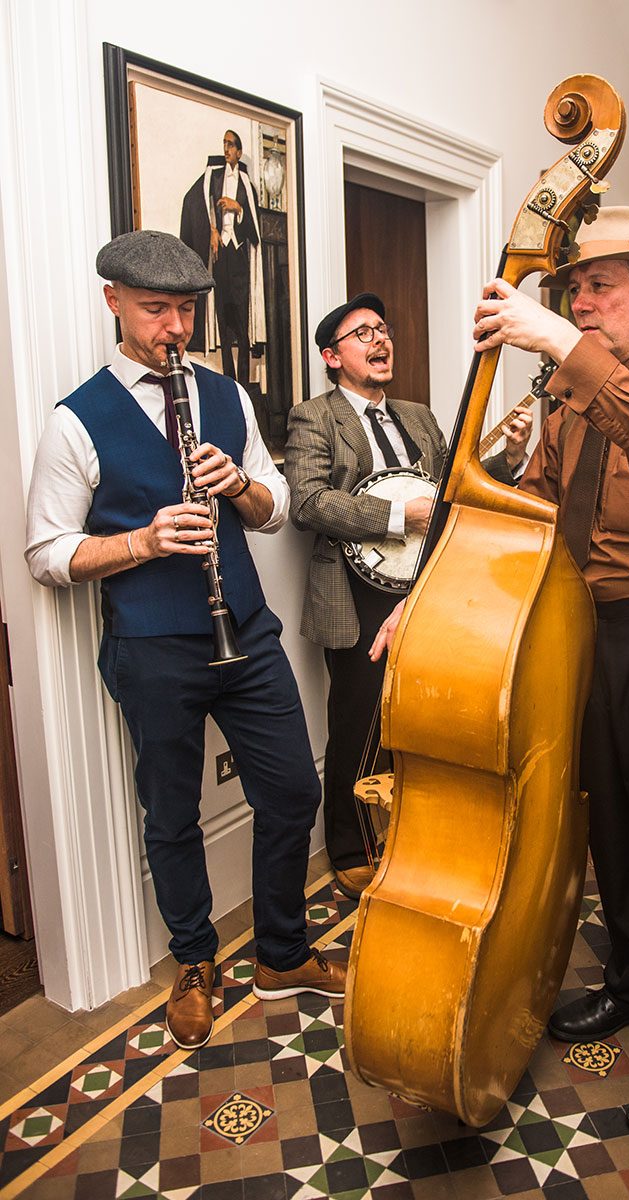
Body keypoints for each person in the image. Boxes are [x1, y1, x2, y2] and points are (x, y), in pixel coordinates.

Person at [372, 207, 629, 1137]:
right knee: (609, 824)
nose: (580, 301)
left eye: (600, 286)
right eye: (573, 288)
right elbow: (522, 515)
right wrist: (425, 599)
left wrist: (561, 348)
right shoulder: (569, 404)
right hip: (584, 629)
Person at [25, 229, 345, 1052]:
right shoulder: (76, 419)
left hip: (245, 631)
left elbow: (272, 507)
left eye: (185, 311)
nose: (174, 328)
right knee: (171, 814)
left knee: (292, 792)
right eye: (155, 309)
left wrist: (237, 484)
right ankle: (195, 960)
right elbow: (46, 554)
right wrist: (140, 542)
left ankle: (280, 952)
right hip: (153, 647)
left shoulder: (225, 395)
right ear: (114, 303)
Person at [284, 293, 531, 899]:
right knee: (360, 721)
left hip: (427, 584)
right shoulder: (314, 417)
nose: (380, 340)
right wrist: (399, 516)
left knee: (423, 713)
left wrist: (510, 458)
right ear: (332, 356)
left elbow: (456, 488)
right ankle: (352, 848)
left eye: (383, 329)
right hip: (356, 593)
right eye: (363, 333)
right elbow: (308, 502)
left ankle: (412, 836)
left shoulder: (418, 416)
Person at [180, 130, 266, 387]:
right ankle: (229, 379)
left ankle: (243, 382)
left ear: (239, 152)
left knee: (241, 319)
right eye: (224, 144)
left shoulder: (247, 185)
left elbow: (254, 229)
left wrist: (238, 208)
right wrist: (212, 231)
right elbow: (198, 203)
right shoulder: (213, 178)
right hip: (220, 255)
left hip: (238, 254)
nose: (226, 148)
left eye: (231, 145)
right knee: (223, 317)